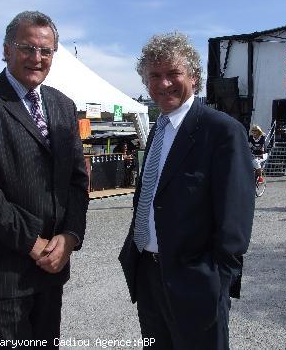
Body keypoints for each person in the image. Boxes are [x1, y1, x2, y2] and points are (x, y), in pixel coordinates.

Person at [0, 11, 89, 348]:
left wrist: (70, 236)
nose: (37, 58)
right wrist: (33, 242)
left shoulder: (62, 105)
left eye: (46, 51)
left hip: (51, 269)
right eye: (27, 48)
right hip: (0, 274)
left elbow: (76, 179)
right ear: (6, 50)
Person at [119, 32, 255, 350]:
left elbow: (235, 223)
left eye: (173, 74)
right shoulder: (158, 129)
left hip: (196, 284)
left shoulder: (221, 131)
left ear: (194, 77)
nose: (164, 84)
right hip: (149, 279)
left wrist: (215, 282)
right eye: (155, 76)